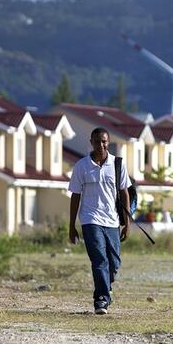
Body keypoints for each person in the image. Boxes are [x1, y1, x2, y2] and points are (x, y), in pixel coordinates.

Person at [68, 127, 131, 315]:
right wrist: (71, 226)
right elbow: (75, 196)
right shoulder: (81, 166)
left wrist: (127, 223)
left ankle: (105, 288)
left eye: (104, 141)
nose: (100, 145)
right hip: (90, 219)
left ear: (108, 142)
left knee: (114, 263)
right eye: (97, 141)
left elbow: (124, 193)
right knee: (99, 260)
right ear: (91, 142)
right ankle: (101, 299)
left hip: (112, 220)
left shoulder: (117, 164)